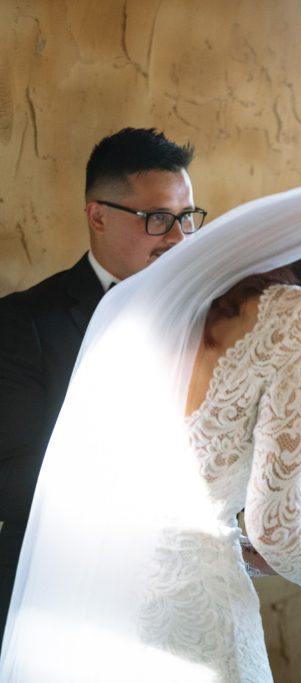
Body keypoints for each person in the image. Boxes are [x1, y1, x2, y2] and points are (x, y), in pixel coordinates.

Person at [0, 183, 301, 682]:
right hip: (198, 623)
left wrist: (241, 547)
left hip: (106, 612)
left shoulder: (186, 309)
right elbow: (276, 523)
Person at [0, 127, 197, 645]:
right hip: (56, 603)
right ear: (98, 215)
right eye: (158, 219)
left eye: (187, 219)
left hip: (176, 603)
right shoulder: (24, 324)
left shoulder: (207, 322)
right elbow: (15, 479)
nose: (177, 238)